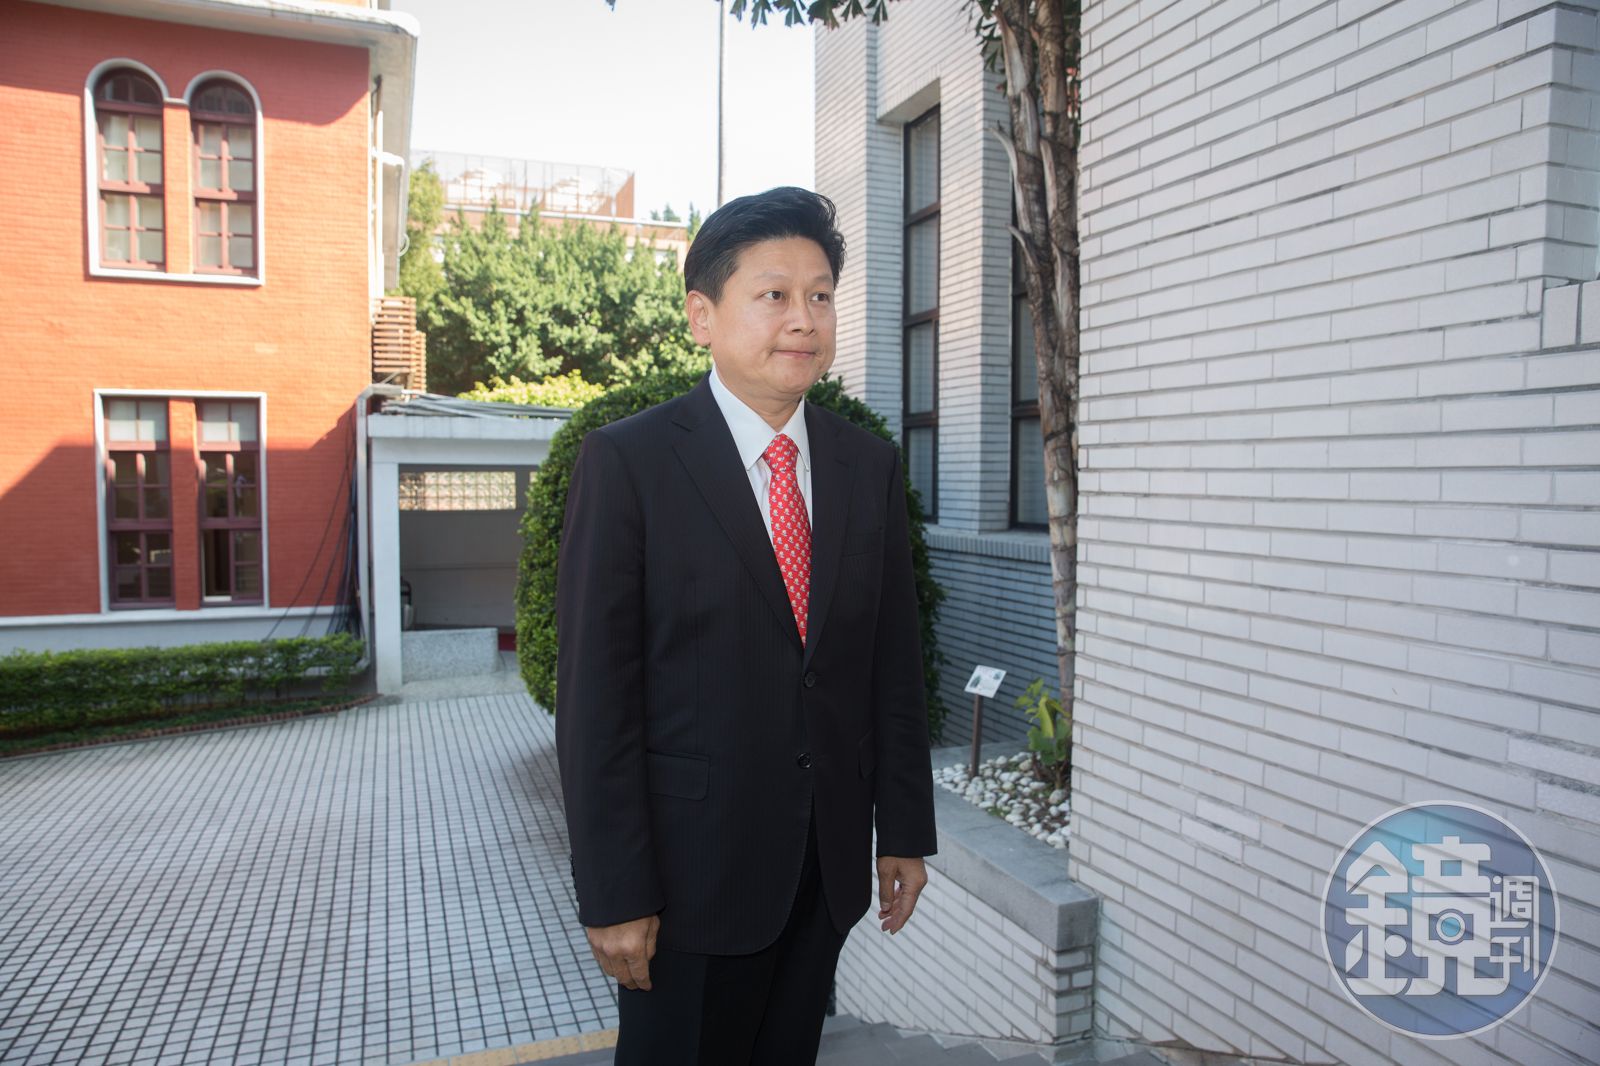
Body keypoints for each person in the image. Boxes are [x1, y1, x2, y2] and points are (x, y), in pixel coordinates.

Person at [554, 186, 937, 1065]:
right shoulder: (629, 462)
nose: (804, 318)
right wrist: (615, 890)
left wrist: (904, 828)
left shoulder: (866, 464)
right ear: (703, 316)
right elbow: (597, 701)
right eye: (775, 294)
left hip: (822, 869)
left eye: (821, 295)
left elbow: (891, 663)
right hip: (687, 883)